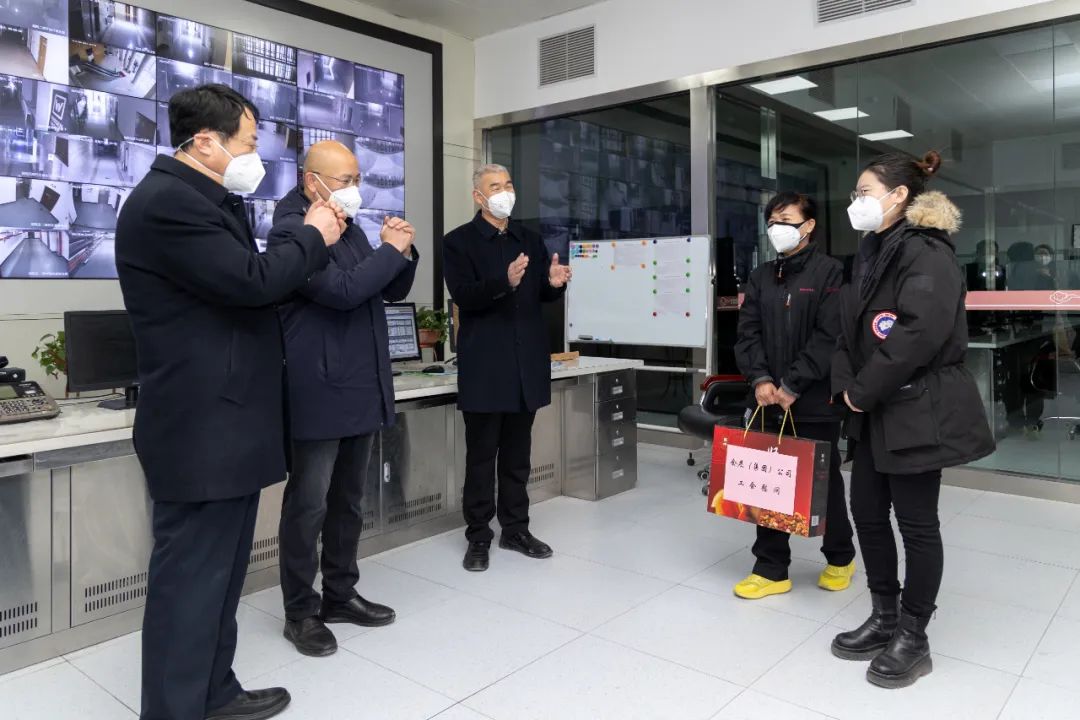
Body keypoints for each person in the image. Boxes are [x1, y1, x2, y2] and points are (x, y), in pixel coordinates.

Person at [115, 83, 344, 720]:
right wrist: (313, 234)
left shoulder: (207, 201)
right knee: (190, 583)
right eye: (248, 143)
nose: (255, 156)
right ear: (206, 142)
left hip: (228, 425)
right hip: (201, 429)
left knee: (219, 579)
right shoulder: (168, 204)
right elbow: (252, 283)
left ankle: (214, 693)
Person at [831, 150, 994, 689]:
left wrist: (861, 391)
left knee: (917, 523)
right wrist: (847, 389)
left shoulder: (927, 251)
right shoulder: (871, 251)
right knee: (867, 513)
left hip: (915, 406)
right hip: (871, 409)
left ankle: (913, 634)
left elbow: (918, 333)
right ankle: (883, 615)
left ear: (899, 195)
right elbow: (847, 329)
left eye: (864, 192)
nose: (856, 202)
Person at [272, 140, 418, 657]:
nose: (355, 189)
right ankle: (300, 610)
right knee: (308, 505)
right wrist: (388, 252)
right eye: (345, 180)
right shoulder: (292, 229)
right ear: (310, 180)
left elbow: (390, 290)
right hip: (319, 388)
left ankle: (340, 593)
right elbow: (343, 291)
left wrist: (402, 251)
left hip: (360, 384)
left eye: (357, 179)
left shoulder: (347, 224)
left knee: (348, 502)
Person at [442, 163, 572, 572]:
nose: (504, 192)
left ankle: (515, 529)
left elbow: (541, 296)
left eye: (508, 184)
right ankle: (478, 535)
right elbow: (464, 295)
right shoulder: (458, 242)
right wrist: (505, 281)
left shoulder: (529, 239)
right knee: (481, 458)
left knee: (518, 457)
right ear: (478, 197)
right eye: (495, 186)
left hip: (525, 367)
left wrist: (553, 283)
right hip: (485, 367)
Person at [732, 191, 856, 600]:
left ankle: (840, 557)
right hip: (766, 398)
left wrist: (792, 385)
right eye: (772, 222)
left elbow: (829, 336)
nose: (776, 229)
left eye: (786, 220)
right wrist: (761, 379)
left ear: (809, 225)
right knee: (768, 481)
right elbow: (747, 334)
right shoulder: (761, 276)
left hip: (814, 399)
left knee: (824, 482)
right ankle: (771, 569)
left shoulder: (830, 272)